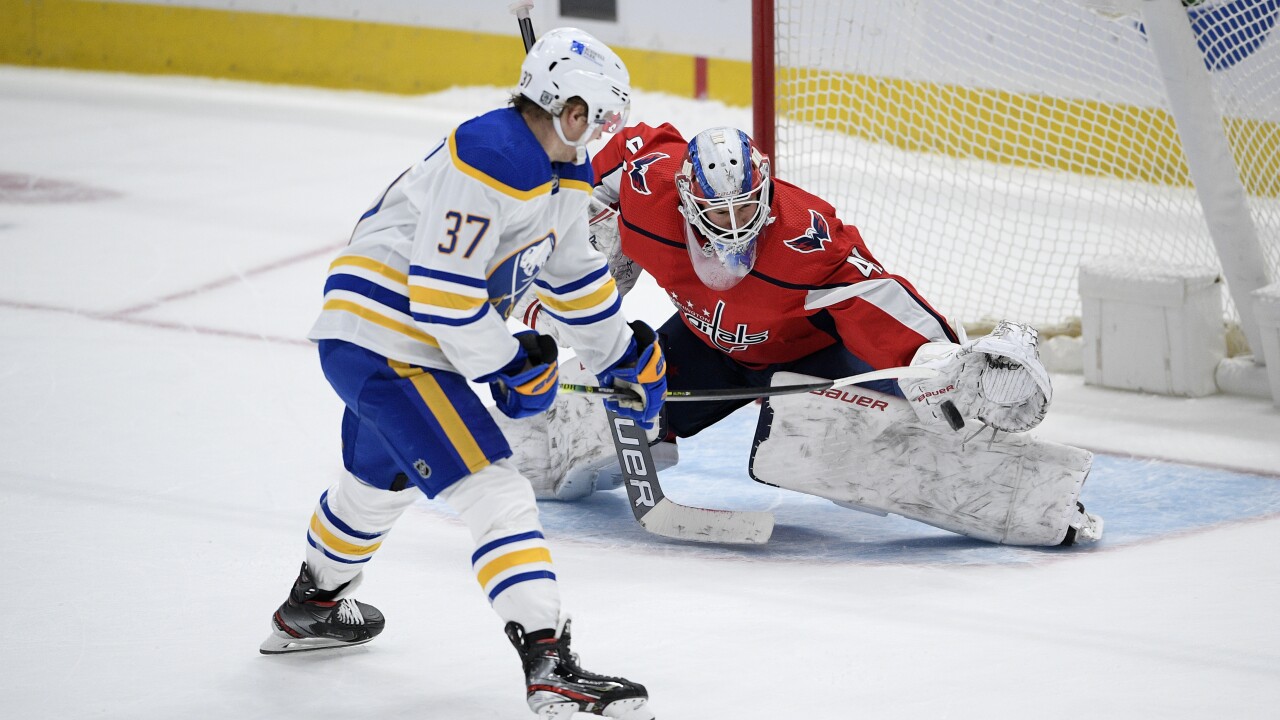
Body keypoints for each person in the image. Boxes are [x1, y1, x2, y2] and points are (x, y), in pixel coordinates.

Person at [259, 28, 664, 720]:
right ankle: (549, 668)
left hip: (386, 342)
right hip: (392, 342)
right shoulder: (490, 154)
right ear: (568, 109)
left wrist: (621, 352)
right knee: (495, 490)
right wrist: (507, 366)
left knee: (377, 484)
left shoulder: (563, 170)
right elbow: (442, 291)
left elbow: (571, 277)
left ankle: (312, 606)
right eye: (596, 116)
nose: (601, 130)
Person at [510, 123, 1103, 547]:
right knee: (618, 403)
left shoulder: (804, 239)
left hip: (809, 357)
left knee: (879, 424)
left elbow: (875, 294)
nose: (734, 228)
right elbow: (619, 152)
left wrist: (939, 355)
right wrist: (580, 213)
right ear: (686, 201)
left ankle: (1020, 488)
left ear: (767, 193)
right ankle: (531, 455)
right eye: (718, 213)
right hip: (706, 343)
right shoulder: (650, 194)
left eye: (747, 209)